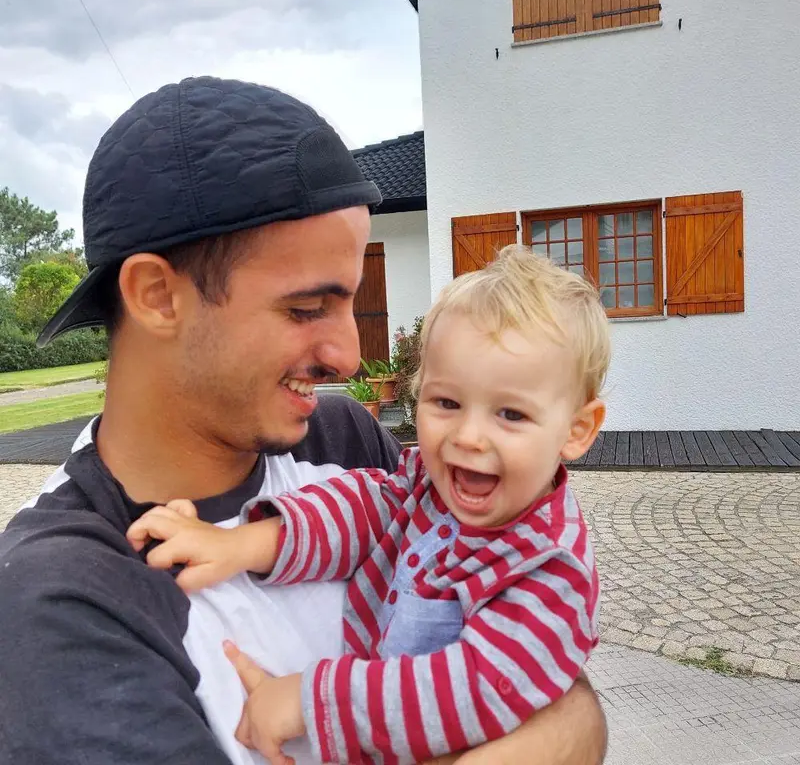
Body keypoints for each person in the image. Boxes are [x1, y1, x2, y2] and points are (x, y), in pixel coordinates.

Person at [0, 76, 607, 765]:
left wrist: (571, 722)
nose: (348, 356)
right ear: (157, 296)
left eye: (350, 302)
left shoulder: (341, 439)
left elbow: (521, 674)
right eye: (305, 309)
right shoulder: (61, 599)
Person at [127, 245, 609, 765]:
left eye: (511, 414)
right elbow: (362, 511)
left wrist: (307, 700)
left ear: (577, 430)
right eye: (446, 402)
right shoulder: (426, 487)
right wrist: (241, 544)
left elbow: (476, 688)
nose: (468, 436)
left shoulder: (550, 568)